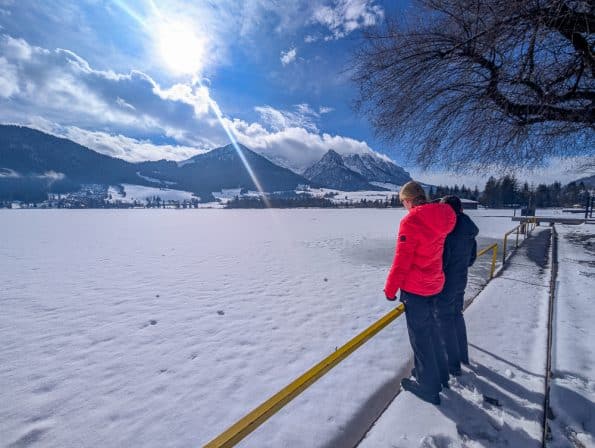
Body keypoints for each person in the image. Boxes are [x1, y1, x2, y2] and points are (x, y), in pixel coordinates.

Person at [384, 181, 456, 405]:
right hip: (434, 283)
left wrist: (390, 288)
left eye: (403, 202)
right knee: (433, 331)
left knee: (421, 337)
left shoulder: (412, 220)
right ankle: (441, 376)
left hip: (416, 288)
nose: (404, 206)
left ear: (409, 200)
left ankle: (428, 386)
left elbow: (402, 260)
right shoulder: (443, 216)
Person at [435, 195, 479, 374]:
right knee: (456, 316)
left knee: (444, 319)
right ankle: (462, 356)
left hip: (446, 282)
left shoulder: (449, 230)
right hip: (461, 279)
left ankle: (451, 365)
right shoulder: (468, 230)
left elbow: (442, 261)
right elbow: (471, 259)